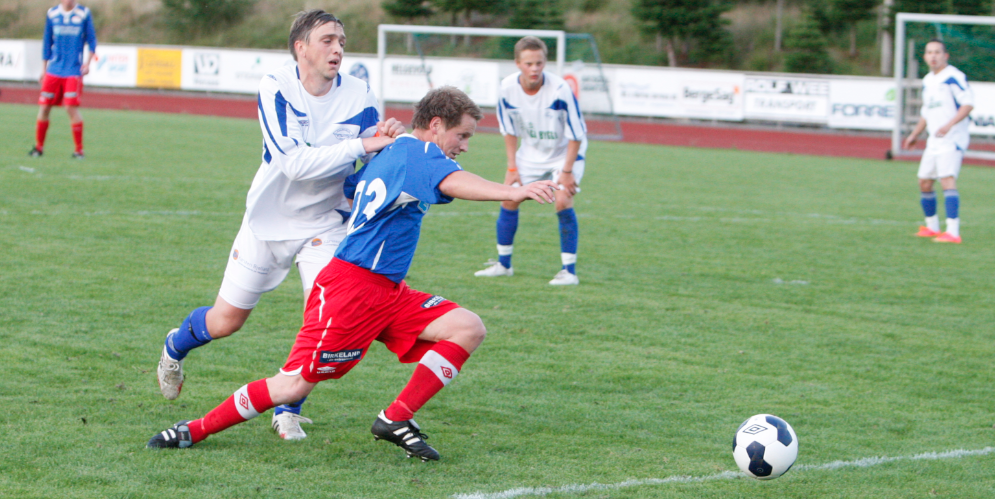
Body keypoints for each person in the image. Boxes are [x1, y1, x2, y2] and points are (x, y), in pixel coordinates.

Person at [146, 86, 559, 461]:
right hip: (351, 290)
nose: (464, 146)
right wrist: (513, 191)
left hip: (388, 291)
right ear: (435, 126)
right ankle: (192, 431)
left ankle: (395, 419)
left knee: (467, 327)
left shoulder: (398, 153)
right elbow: (453, 182)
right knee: (291, 387)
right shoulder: (419, 153)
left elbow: (355, 188)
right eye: (462, 136)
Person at [154, 10, 404, 441]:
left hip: (325, 224)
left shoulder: (362, 95)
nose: (338, 48)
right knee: (226, 321)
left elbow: (367, 165)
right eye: (327, 40)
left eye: (341, 40)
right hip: (267, 221)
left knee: (324, 320)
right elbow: (292, 163)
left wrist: (385, 144)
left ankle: (288, 406)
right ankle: (175, 347)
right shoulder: (276, 87)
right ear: (300, 48)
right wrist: (362, 144)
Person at [474, 36, 588, 285]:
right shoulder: (507, 89)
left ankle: (569, 272)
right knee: (509, 197)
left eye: (539, 63)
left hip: (564, 152)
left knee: (562, 200)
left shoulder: (560, 90)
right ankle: (504, 265)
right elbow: (509, 131)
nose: (534, 68)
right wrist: (512, 167)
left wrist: (566, 171)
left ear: (545, 62)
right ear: (518, 63)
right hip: (531, 152)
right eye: (528, 63)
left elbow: (576, 135)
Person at [903, 39, 974, 244]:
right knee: (924, 181)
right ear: (925, 56)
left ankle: (953, 231)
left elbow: (968, 104)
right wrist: (914, 134)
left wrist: (949, 124)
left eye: (937, 52)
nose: (933, 56)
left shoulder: (953, 77)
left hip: (952, 138)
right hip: (934, 140)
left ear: (945, 56)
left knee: (946, 179)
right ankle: (932, 226)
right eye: (929, 52)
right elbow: (927, 112)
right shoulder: (928, 80)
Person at [30, 0, 97, 159]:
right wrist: (43, 69)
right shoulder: (52, 13)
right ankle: (39, 148)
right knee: (44, 107)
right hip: (53, 70)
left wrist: (87, 64)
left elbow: (92, 40)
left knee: (70, 108)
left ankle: (78, 150)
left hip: (73, 70)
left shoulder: (83, 14)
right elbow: (47, 42)